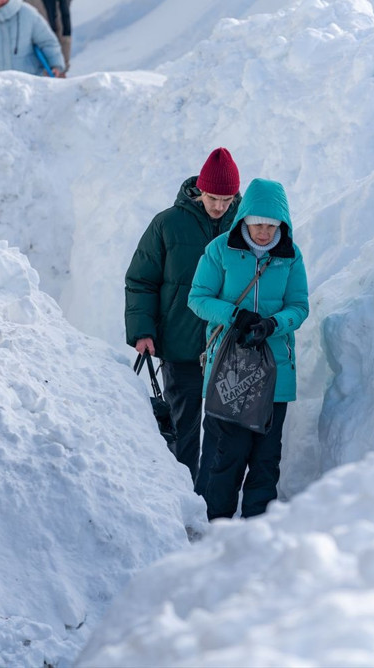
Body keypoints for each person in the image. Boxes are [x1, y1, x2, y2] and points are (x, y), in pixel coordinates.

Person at [188, 178, 309, 520]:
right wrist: (234, 316)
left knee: (266, 460)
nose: (263, 232)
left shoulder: (291, 255)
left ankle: (258, 533)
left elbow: (299, 306)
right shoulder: (219, 250)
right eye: (257, 224)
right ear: (244, 219)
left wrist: (272, 324)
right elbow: (197, 298)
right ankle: (219, 530)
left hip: (275, 374)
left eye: (271, 225)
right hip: (229, 371)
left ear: (281, 224)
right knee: (227, 457)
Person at [125, 148, 241, 482]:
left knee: (226, 430)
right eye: (213, 197)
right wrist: (142, 330)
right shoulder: (167, 224)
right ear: (199, 190)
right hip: (180, 342)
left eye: (227, 199)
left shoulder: (246, 226)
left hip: (231, 345)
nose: (219, 206)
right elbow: (141, 280)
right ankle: (183, 497)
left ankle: (217, 503)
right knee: (182, 427)